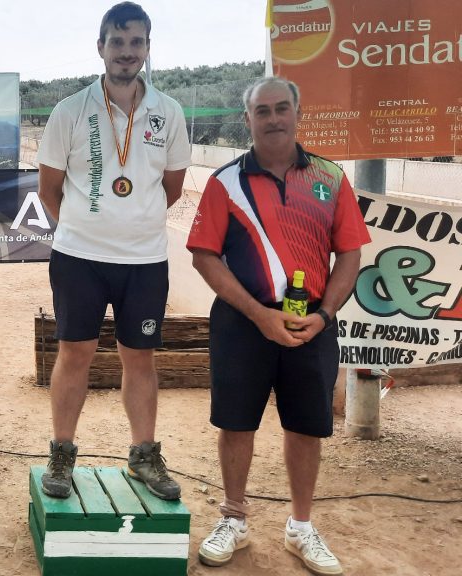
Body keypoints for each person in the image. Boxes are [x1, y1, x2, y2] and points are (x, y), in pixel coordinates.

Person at [187, 76, 370, 575]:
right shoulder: (225, 182)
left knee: (306, 427)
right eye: (262, 111)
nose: (273, 118)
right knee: (235, 423)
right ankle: (234, 518)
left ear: (297, 113)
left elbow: (350, 255)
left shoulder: (331, 178)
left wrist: (324, 316)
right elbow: (204, 256)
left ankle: (301, 527)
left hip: (311, 323)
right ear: (247, 119)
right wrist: (259, 314)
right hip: (243, 321)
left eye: (281, 108)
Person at [35, 2, 191, 501]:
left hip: (144, 260)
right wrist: (86, 228)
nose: (127, 52)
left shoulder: (168, 112)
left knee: (140, 358)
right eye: (117, 42)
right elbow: (49, 190)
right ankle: (62, 454)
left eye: (136, 42)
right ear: (100, 46)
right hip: (79, 258)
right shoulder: (70, 110)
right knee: (74, 353)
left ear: (147, 48)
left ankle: (144, 455)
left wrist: (133, 224)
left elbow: (172, 187)